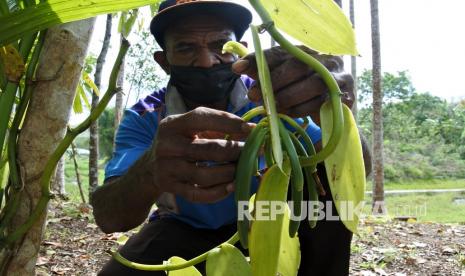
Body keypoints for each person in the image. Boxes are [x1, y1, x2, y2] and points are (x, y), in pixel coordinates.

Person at [92, 0, 370, 275]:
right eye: (186, 47)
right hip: (182, 227)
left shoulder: (274, 99)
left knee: (325, 199)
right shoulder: (146, 117)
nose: (206, 61)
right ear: (164, 61)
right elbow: (109, 216)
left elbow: (354, 173)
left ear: (242, 52)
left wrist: (334, 111)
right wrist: (150, 170)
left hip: (266, 216)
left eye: (219, 45)